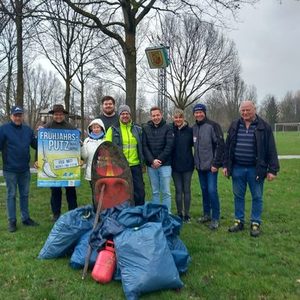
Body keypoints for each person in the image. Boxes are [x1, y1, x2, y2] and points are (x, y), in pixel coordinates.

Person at [223, 100, 279, 237]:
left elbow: (271, 149)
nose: (245, 113)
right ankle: (239, 221)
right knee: (238, 196)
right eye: (243, 110)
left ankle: (255, 223)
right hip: (237, 168)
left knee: (257, 197)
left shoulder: (264, 126)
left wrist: (273, 169)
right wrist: (225, 165)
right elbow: (228, 147)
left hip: (256, 169)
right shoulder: (234, 125)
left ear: (254, 109)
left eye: (248, 110)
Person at [0, 106, 39, 232]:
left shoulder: (28, 130)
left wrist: (44, 134)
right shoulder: (4, 129)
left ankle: (25, 218)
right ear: (11, 116)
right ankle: (12, 221)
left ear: (22, 116)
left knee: (25, 194)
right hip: (10, 169)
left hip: (24, 169)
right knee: (11, 195)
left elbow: (36, 144)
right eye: (15, 115)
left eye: (20, 115)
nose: (18, 117)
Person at [42, 104, 78, 222]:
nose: (58, 116)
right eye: (56, 114)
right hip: (53, 165)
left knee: (71, 191)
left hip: (68, 165)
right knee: (55, 191)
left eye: (60, 114)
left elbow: (77, 146)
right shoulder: (46, 128)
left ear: (64, 115)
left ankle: (73, 212)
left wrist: (79, 158)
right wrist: (38, 160)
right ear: (53, 115)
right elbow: (40, 146)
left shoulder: (71, 128)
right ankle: (56, 213)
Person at [193, 103, 224, 230]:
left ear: (204, 113)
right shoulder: (194, 128)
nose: (199, 114)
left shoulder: (213, 126)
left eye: (201, 112)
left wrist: (216, 163)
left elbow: (220, 145)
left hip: (211, 167)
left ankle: (215, 218)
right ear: (194, 114)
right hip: (200, 167)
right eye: (196, 112)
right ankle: (206, 214)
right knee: (204, 191)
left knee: (212, 191)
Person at [106, 105, 145, 206]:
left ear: (130, 115)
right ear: (119, 115)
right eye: (122, 113)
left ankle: (139, 211)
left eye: (127, 113)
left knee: (139, 191)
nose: (125, 115)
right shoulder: (113, 129)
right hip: (120, 166)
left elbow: (142, 146)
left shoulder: (137, 129)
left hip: (135, 165)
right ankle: (123, 212)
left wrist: (143, 163)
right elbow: (107, 147)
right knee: (121, 191)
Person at [142, 106, 174, 212]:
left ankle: (167, 214)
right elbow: (145, 146)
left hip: (165, 164)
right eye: (153, 115)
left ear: (161, 115)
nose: (156, 117)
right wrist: (152, 161)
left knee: (166, 192)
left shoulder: (168, 127)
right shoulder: (146, 128)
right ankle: (156, 214)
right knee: (155, 191)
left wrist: (159, 160)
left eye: (157, 115)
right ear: (151, 117)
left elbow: (169, 146)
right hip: (151, 165)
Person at [171, 108, 194, 223]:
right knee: (178, 190)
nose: (178, 119)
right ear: (173, 118)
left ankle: (187, 214)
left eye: (180, 117)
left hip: (188, 165)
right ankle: (180, 213)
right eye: (176, 117)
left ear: (183, 118)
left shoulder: (190, 130)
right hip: (175, 166)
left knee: (187, 190)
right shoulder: (171, 130)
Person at [81, 118, 106, 204]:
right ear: (91, 129)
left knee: (105, 193)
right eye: (94, 127)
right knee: (95, 193)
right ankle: (96, 211)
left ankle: (105, 211)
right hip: (91, 172)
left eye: (98, 127)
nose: (96, 129)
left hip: (104, 172)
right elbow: (85, 156)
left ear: (101, 128)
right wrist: (81, 147)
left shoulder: (106, 140)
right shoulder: (87, 141)